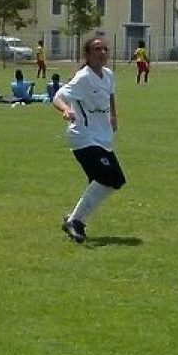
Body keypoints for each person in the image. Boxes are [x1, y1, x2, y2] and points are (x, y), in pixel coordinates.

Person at [52, 37, 125, 244]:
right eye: (96, 49)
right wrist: (66, 109)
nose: (102, 52)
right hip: (83, 137)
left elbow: (110, 96)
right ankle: (75, 221)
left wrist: (114, 116)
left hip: (103, 136)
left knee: (115, 181)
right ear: (88, 55)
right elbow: (58, 96)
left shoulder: (109, 75)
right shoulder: (82, 78)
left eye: (104, 48)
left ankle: (75, 219)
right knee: (107, 178)